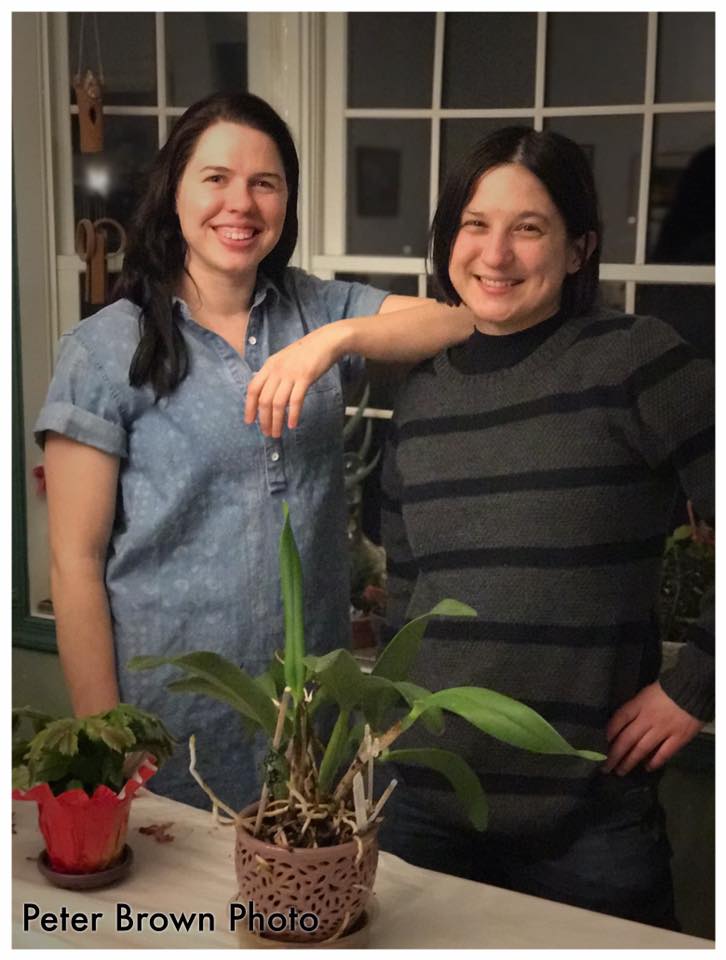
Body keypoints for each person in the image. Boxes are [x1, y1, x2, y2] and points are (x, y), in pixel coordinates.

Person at [35, 92, 475, 811]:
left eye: (264, 183)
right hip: (171, 727)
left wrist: (335, 339)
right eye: (216, 178)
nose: (241, 202)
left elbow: (452, 323)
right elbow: (75, 566)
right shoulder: (102, 350)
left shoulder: (315, 310)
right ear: (173, 189)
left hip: (311, 725)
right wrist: (108, 746)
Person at [376, 127, 713, 929]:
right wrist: (386, 726)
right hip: (423, 812)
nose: (497, 254)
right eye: (475, 225)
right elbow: (402, 587)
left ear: (577, 249)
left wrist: (696, 679)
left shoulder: (636, 361)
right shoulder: (419, 397)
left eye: (529, 228)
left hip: (591, 825)